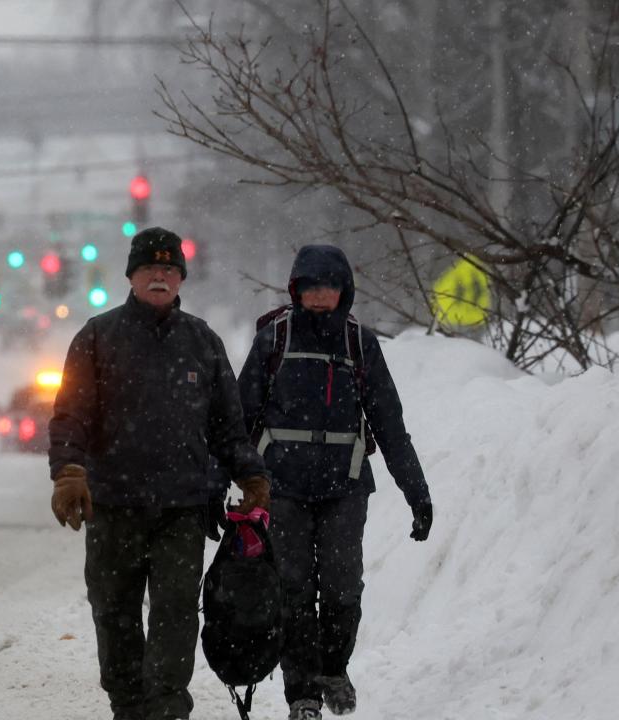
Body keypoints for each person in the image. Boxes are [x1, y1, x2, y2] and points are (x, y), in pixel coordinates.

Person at [48, 226, 271, 720]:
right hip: (113, 504)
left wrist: (252, 478)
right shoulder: (98, 337)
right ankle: (128, 705)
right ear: (131, 276)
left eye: (170, 270)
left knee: (175, 611)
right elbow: (71, 414)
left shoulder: (202, 342)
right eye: (150, 268)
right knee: (114, 612)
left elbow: (228, 429)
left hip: (182, 508)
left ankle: (168, 708)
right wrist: (68, 471)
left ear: (181, 280)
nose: (160, 276)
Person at [238, 245, 432, 720]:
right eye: (311, 287)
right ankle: (302, 695)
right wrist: (220, 483)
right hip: (282, 486)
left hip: (344, 487)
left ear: (344, 290)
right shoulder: (274, 339)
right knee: (294, 590)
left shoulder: (359, 344)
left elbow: (389, 425)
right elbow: (239, 418)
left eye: (329, 287)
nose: (320, 296)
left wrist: (417, 492)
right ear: (296, 290)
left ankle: (333, 668)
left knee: (344, 587)